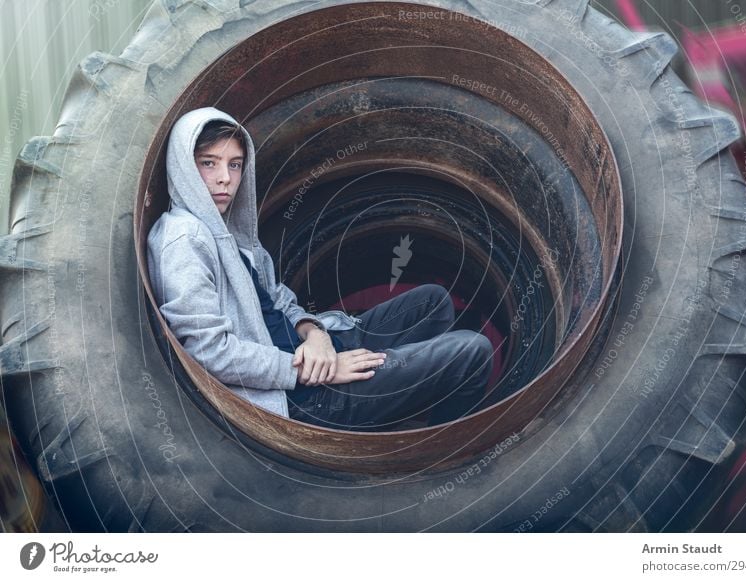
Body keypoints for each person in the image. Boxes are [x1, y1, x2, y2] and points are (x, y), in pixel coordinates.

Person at [147, 107, 493, 431]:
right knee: (472, 351)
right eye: (209, 163)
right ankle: (429, 450)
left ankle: (400, 401)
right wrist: (315, 371)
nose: (225, 179)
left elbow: (278, 299)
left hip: (317, 351)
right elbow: (207, 350)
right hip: (303, 397)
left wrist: (316, 335)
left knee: (431, 303)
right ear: (184, 167)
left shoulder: (233, 236)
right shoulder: (184, 238)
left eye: (235, 165)